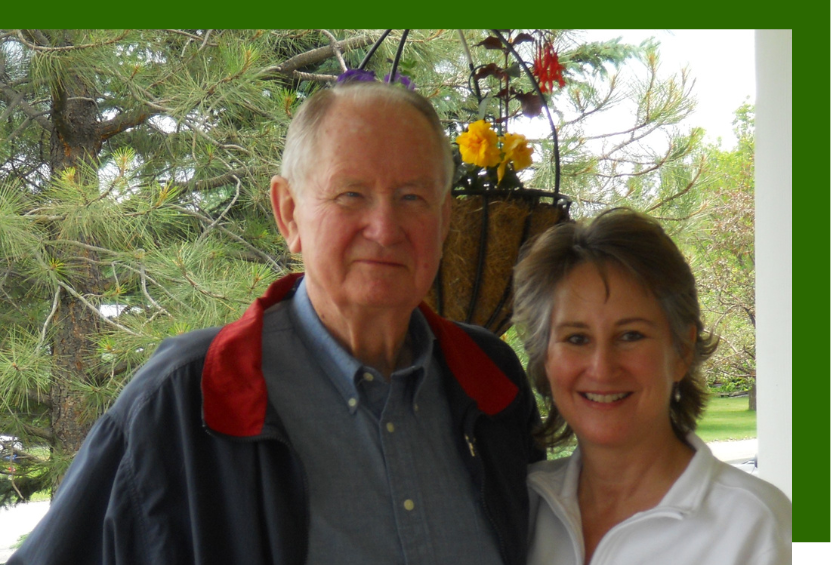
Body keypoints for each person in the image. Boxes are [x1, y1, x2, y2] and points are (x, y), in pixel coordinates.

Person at [10, 82, 543, 565]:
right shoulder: (180, 400)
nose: (384, 228)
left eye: (413, 197)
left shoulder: (491, 382)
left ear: (445, 221)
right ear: (289, 214)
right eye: (350, 194)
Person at [511, 208, 791, 565]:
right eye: (577, 338)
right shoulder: (522, 506)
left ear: (682, 351)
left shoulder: (755, 526)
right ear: (545, 358)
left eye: (631, 335)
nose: (602, 366)